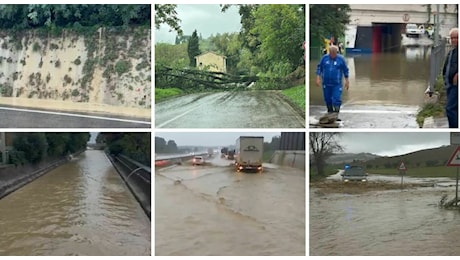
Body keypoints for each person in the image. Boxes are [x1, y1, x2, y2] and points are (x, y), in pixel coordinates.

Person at [315, 45, 349, 116]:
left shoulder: (341, 59)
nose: (332, 55)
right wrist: (318, 78)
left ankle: (336, 114)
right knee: (327, 99)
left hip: (336, 84)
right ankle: (330, 112)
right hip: (326, 83)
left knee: (336, 98)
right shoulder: (324, 58)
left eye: (334, 53)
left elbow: (345, 70)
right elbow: (319, 68)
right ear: (329, 52)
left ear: (337, 53)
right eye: (331, 53)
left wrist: (347, 81)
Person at [443, 28, 458, 128]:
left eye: (456, 38)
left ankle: (454, 130)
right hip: (449, 85)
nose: (454, 40)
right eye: (452, 38)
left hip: (456, 85)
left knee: (450, 109)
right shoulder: (452, 51)